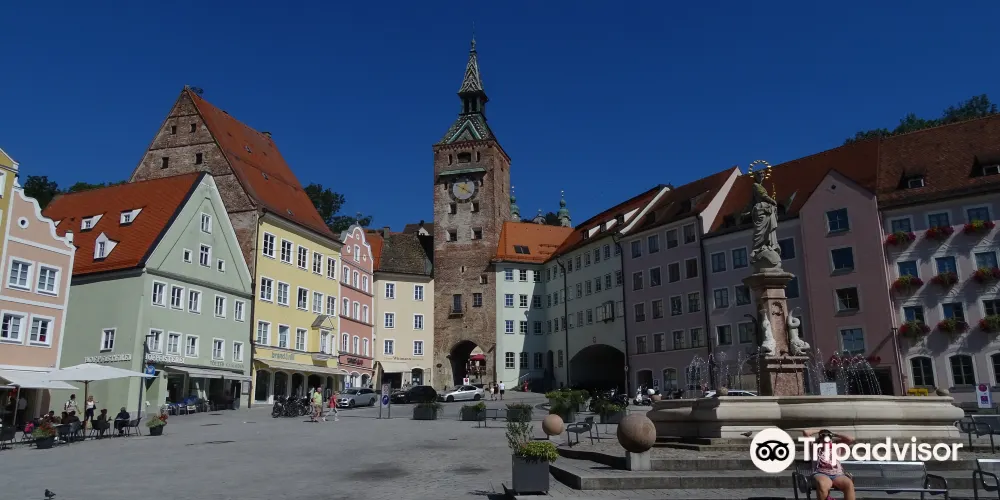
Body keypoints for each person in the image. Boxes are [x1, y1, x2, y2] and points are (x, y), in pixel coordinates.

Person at [803, 428, 855, 500]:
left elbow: (851, 439)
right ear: (820, 440)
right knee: (822, 484)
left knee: (849, 484)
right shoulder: (814, 447)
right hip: (821, 473)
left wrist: (832, 433)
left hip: (838, 474)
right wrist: (821, 430)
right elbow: (806, 432)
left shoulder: (837, 447)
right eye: (824, 439)